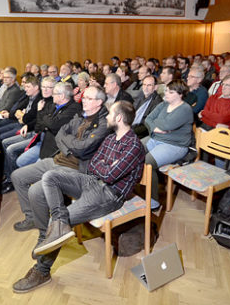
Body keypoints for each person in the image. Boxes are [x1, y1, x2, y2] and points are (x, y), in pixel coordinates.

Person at [12, 101, 145, 293]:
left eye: (110, 114)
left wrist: (105, 167)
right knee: (50, 176)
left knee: (58, 218)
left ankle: (42, 270)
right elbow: (93, 167)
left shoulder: (134, 145)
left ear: (119, 118)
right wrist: (107, 165)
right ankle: (52, 232)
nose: (106, 116)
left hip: (109, 195)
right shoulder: (110, 139)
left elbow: (109, 176)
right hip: (91, 181)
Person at [10, 86, 108, 232]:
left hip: (75, 168)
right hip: (58, 158)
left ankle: (45, 234)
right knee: (17, 176)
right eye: (84, 97)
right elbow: (60, 133)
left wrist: (68, 142)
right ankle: (31, 217)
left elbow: (82, 149)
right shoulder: (81, 114)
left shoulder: (103, 123)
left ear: (99, 102)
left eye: (89, 98)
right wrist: (69, 147)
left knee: (35, 191)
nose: (84, 101)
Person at [144, 79, 193, 208]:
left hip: (175, 145)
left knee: (147, 162)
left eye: (170, 92)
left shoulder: (185, 109)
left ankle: (153, 202)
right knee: (132, 149)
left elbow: (167, 125)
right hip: (156, 138)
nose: (166, 94)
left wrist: (157, 124)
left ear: (180, 94)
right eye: (166, 90)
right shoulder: (164, 104)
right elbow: (148, 118)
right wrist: (156, 128)